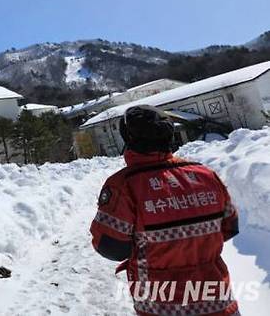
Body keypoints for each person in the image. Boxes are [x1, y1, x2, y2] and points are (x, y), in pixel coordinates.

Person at [90, 105, 240, 316]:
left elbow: (110, 247)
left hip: (159, 306)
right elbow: (229, 227)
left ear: (128, 138)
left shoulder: (123, 185)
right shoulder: (205, 174)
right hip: (218, 302)